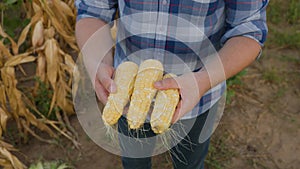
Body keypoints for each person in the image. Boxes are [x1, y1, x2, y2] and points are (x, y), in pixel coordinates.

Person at [75, 0, 268, 168]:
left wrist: (201, 81)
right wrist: (97, 63)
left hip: (199, 95)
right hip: (127, 95)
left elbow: (248, 29)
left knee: (189, 162)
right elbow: (93, 11)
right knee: (134, 160)